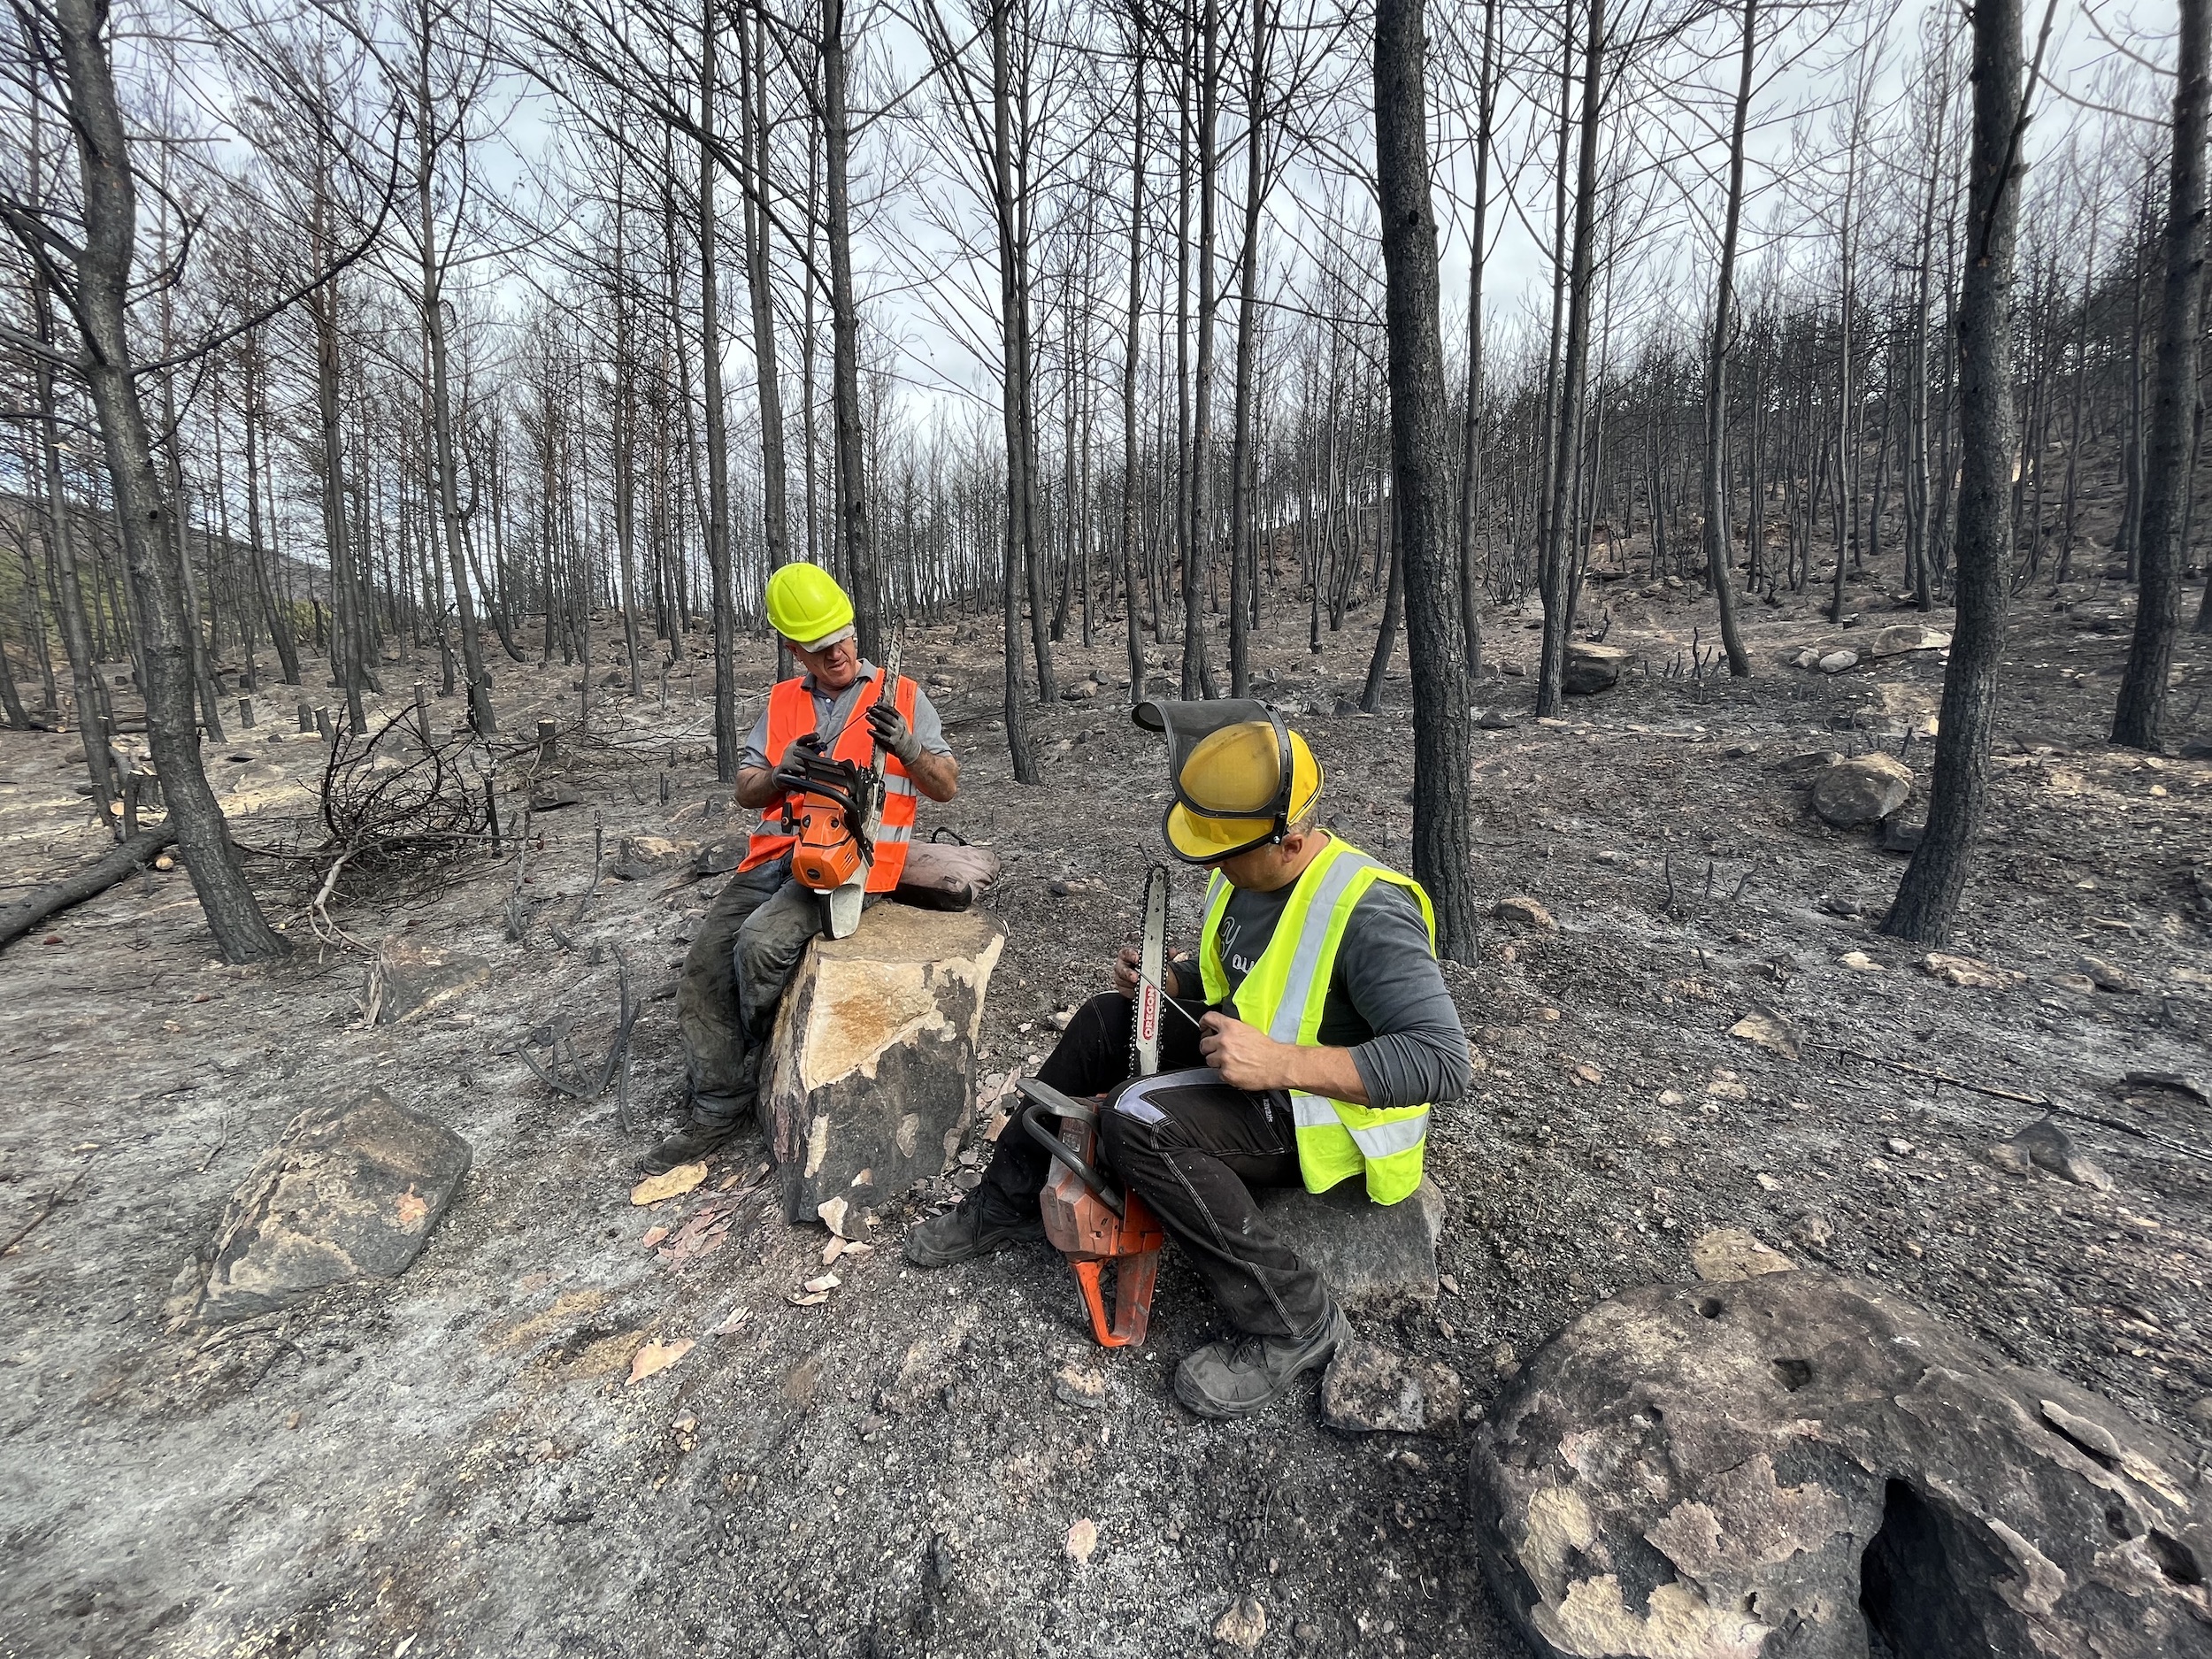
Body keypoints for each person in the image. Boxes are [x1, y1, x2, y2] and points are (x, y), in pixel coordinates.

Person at [903, 701, 1470, 1419]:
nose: (1213, 864)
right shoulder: (1243, 871)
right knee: (1103, 1022)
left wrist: (1280, 1063)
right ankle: (1005, 1201)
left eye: (1225, 851)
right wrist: (1171, 980)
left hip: (1321, 1116)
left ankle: (1295, 1316)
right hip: (1254, 1067)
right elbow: (1249, 973)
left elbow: (1441, 1061)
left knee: (1137, 1120)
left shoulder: (1369, 911)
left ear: (1290, 842)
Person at [641, 563, 960, 1175]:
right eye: (819, 646)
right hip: (775, 857)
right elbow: (746, 788)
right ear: (796, 651)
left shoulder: (900, 695)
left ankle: (757, 1051)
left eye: (842, 637)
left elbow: (945, 784)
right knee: (704, 968)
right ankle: (717, 1107)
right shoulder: (784, 700)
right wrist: (779, 773)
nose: (837, 652)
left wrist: (909, 747)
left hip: (850, 865)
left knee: (760, 945)